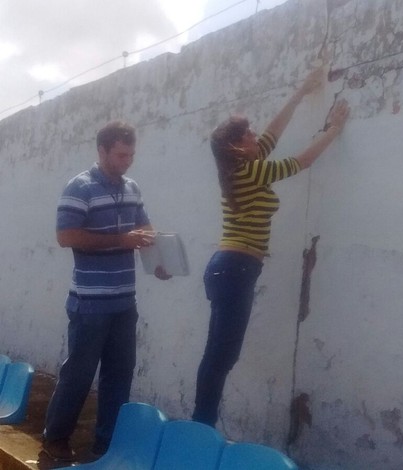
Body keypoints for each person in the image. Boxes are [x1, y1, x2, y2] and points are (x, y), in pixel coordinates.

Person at [192, 68, 349, 427]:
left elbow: (272, 134)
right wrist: (334, 130)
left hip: (232, 268)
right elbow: (302, 161)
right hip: (235, 269)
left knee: (219, 354)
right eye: (246, 134)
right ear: (235, 146)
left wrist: (300, 92)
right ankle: (200, 427)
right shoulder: (249, 172)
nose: (254, 135)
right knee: (222, 355)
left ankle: (200, 424)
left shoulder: (244, 165)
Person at [43, 121, 171, 462]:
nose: (127, 161)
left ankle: (106, 444)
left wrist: (157, 258)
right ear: (101, 151)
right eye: (120, 154)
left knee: (119, 374)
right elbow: (66, 236)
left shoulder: (132, 187)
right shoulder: (79, 187)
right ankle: (55, 439)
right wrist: (120, 240)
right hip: (90, 302)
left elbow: (144, 228)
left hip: (124, 301)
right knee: (79, 374)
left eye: (130, 154)